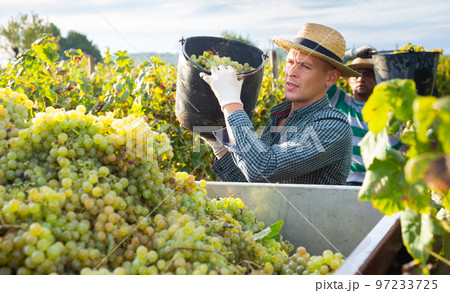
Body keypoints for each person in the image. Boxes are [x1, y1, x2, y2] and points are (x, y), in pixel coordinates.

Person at [198, 23, 361, 185]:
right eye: (290, 62)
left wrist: (231, 102)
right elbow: (253, 186)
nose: (292, 72)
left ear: (331, 78)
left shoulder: (332, 127)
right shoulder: (280, 118)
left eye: (305, 65)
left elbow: (262, 168)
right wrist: (220, 146)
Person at [326, 57, 402, 186]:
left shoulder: (386, 110)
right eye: (355, 75)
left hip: (377, 182)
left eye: (366, 75)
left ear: (376, 80)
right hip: (344, 180)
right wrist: (352, 54)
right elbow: (324, 73)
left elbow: (394, 145)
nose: (360, 79)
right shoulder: (341, 100)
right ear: (349, 81)